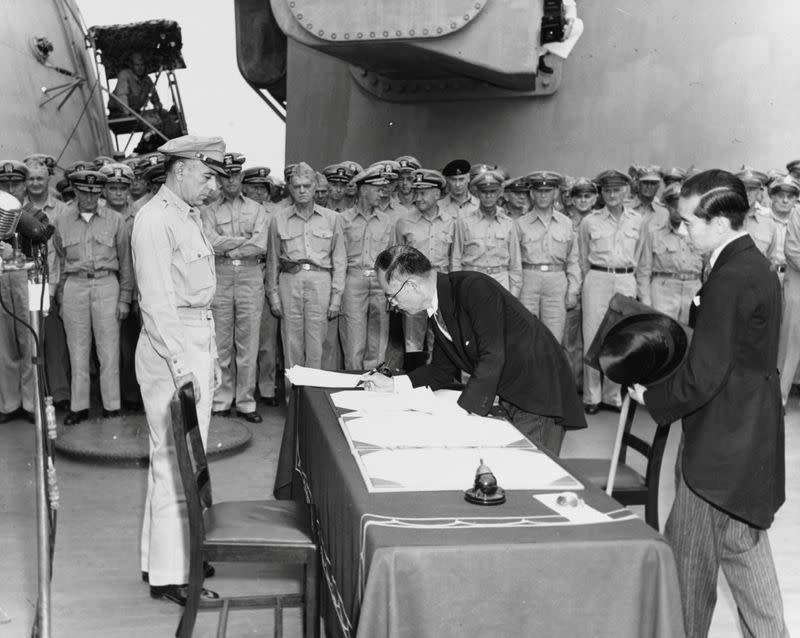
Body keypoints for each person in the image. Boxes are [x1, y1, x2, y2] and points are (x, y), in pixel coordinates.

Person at [633, 169, 788, 638]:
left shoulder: (730, 277)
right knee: (742, 547)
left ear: (720, 223)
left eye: (688, 222)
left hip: (719, 448)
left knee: (689, 571)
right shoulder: (751, 264)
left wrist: (651, 396)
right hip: (749, 437)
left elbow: (707, 373)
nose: (682, 230)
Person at [364, 245, 586, 455]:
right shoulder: (438, 306)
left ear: (411, 285)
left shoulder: (474, 288)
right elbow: (441, 371)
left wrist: (461, 411)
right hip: (511, 392)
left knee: (531, 473)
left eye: (390, 296)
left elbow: (493, 356)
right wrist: (394, 384)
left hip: (538, 393)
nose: (392, 304)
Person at [133, 134, 227, 606]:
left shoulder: (188, 217)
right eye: (208, 175)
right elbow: (156, 303)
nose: (212, 186)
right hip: (171, 346)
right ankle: (174, 575)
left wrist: (207, 361)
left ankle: (166, 556)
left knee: (184, 458)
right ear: (183, 167)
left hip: (194, 340)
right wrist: (181, 366)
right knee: (174, 461)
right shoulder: (154, 220)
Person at [53, 170, 134, 425]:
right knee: (77, 349)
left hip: (106, 284)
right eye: (83, 191)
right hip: (75, 285)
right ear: (74, 191)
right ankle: (79, 407)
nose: (89, 197)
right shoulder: (62, 220)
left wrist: (125, 298)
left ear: (100, 192)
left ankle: (111, 406)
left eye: (94, 192)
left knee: (108, 350)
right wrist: (61, 296)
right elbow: (61, 257)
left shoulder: (115, 220)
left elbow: (125, 262)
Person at [201, 152, 269, 423]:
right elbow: (210, 242)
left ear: (241, 176)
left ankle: (246, 402)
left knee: (248, 342)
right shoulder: (208, 210)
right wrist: (241, 242)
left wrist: (227, 245)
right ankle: (221, 399)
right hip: (220, 275)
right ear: (218, 178)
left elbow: (260, 244)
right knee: (221, 342)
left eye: (235, 175)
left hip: (250, 276)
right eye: (225, 175)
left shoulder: (257, 209)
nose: (230, 180)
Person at [266, 162, 346, 374]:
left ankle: (314, 401)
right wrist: (273, 296)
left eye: (307, 186)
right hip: (290, 280)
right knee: (291, 343)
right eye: (297, 186)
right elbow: (273, 260)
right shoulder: (278, 219)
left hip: (321, 281)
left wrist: (336, 297)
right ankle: (294, 403)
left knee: (317, 344)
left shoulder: (333, 219)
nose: (302, 191)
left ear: (315, 188)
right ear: (290, 189)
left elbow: (339, 260)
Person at [578, 169, 647, 414]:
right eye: (607, 190)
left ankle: (612, 396)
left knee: (619, 337)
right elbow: (582, 256)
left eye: (617, 189)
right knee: (593, 336)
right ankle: (592, 397)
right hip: (597, 277)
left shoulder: (638, 220)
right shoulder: (590, 221)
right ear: (601, 193)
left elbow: (642, 257)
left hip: (626, 278)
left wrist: (638, 287)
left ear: (626, 190)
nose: (612, 195)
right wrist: (593, 279)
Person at [22, 157, 71, 410]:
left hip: (52, 284)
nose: (35, 183)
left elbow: (63, 252)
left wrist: (56, 288)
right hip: (26, 284)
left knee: (55, 343)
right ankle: (37, 398)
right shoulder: (18, 210)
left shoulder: (61, 211)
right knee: (32, 342)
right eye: (31, 179)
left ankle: (60, 395)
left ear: (48, 179)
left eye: (40, 178)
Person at [395, 169, 455, 371]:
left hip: (441, 286)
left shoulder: (452, 222)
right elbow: (397, 261)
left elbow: (455, 259)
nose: (417, 198)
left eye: (423, 193)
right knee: (413, 341)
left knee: (441, 338)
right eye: (416, 192)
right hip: (413, 287)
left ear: (437, 194)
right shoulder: (404, 222)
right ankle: (414, 381)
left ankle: (438, 382)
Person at [339, 164, 396, 370]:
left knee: (378, 343)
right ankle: (353, 387)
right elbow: (338, 257)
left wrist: (391, 291)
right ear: (363, 190)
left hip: (379, 283)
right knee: (354, 343)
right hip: (353, 281)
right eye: (377, 188)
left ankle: (374, 388)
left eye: (384, 188)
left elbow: (391, 258)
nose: (382, 193)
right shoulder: (343, 220)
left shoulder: (387, 221)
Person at [515, 171, 580, 343]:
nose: (543, 195)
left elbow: (573, 260)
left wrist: (573, 290)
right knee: (525, 336)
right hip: (528, 280)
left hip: (556, 282)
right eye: (538, 191)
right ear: (531, 193)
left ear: (556, 193)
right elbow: (514, 261)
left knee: (554, 338)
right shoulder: (520, 224)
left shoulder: (566, 223)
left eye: (547, 191)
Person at [99, 162, 142, 411]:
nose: (118, 192)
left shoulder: (140, 213)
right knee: (112, 348)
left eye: (122, 187)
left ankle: (134, 395)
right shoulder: (100, 215)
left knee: (136, 345)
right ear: (103, 190)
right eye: (112, 187)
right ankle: (117, 397)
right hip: (113, 288)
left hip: (141, 287)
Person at [241, 166, 280, 405]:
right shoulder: (241, 211)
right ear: (245, 188)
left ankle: (266, 388)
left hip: (270, 272)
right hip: (247, 271)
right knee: (244, 338)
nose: (259, 193)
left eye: (263, 188)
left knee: (267, 339)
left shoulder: (275, 213)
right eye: (254, 187)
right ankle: (243, 390)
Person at [638, 183, 704, 323]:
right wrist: (645, 300)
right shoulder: (655, 233)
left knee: (690, 335)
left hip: (692, 290)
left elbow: (709, 270)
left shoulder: (700, 235)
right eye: (674, 206)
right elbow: (644, 270)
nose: (678, 211)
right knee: (663, 333)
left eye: (683, 206)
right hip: (663, 290)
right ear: (667, 207)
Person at [452, 169, 522, 295]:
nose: (488, 196)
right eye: (484, 192)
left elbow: (515, 264)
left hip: (500, 281)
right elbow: (456, 259)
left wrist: (514, 293)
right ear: (477, 193)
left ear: (499, 192)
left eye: (493, 191)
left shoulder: (509, 223)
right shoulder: (464, 221)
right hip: (472, 281)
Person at [737, 167, 779, 263]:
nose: (747, 193)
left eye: (751, 189)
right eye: (743, 188)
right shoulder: (724, 220)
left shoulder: (769, 224)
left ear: (760, 191)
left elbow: (771, 261)